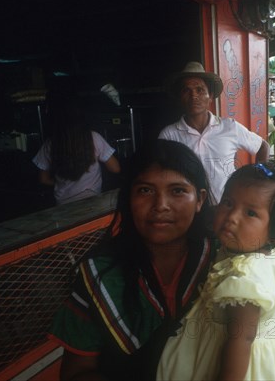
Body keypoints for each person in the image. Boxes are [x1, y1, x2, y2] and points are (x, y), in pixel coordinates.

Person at [48, 139, 216, 380]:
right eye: (145, 190)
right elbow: (77, 372)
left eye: (177, 190)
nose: (161, 205)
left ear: (200, 199)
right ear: (128, 198)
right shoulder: (100, 272)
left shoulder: (227, 262)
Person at [157, 162, 275, 380]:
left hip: (239, 361)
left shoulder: (245, 278)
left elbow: (241, 340)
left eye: (250, 213)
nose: (232, 217)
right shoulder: (269, 250)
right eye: (228, 203)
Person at [159, 61, 269, 202]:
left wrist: (258, 177)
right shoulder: (169, 135)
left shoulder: (230, 127)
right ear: (180, 98)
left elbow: (263, 146)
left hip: (227, 206)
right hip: (189, 210)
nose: (194, 96)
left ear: (210, 96)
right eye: (187, 90)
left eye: (200, 90)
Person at [32, 96, 120, 205]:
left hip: (63, 205)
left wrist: (61, 184)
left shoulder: (50, 143)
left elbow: (43, 179)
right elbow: (115, 168)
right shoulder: (94, 137)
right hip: (92, 201)